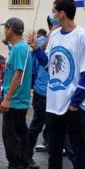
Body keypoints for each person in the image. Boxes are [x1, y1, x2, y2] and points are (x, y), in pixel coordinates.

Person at [30, 0, 85, 169]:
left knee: (81, 155)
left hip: (72, 106)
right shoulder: (54, 35)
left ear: (62, 13)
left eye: (54, 11)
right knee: (54, 154)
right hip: (53, 103)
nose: (52, 14)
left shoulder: (82, 36)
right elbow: (49, 65)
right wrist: (37, 50)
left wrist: (75, 102)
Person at [0, 18, 33, 169]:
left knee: (10, 136)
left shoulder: (19, 48)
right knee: (21, 134)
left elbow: (18, 75)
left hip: (15, 100)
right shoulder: (20, 48)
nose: (5, 30)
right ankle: (24, 166)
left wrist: (7, 98)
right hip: (20, 99)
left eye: (6, 28)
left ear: (11, 29)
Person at [29, 15, 58, 159]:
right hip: (42, 90)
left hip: (57, 92)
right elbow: (38, 59)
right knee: (36, 125)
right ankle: (26, 156)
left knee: (60, 128)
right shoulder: (42, 41)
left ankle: (77, 162)